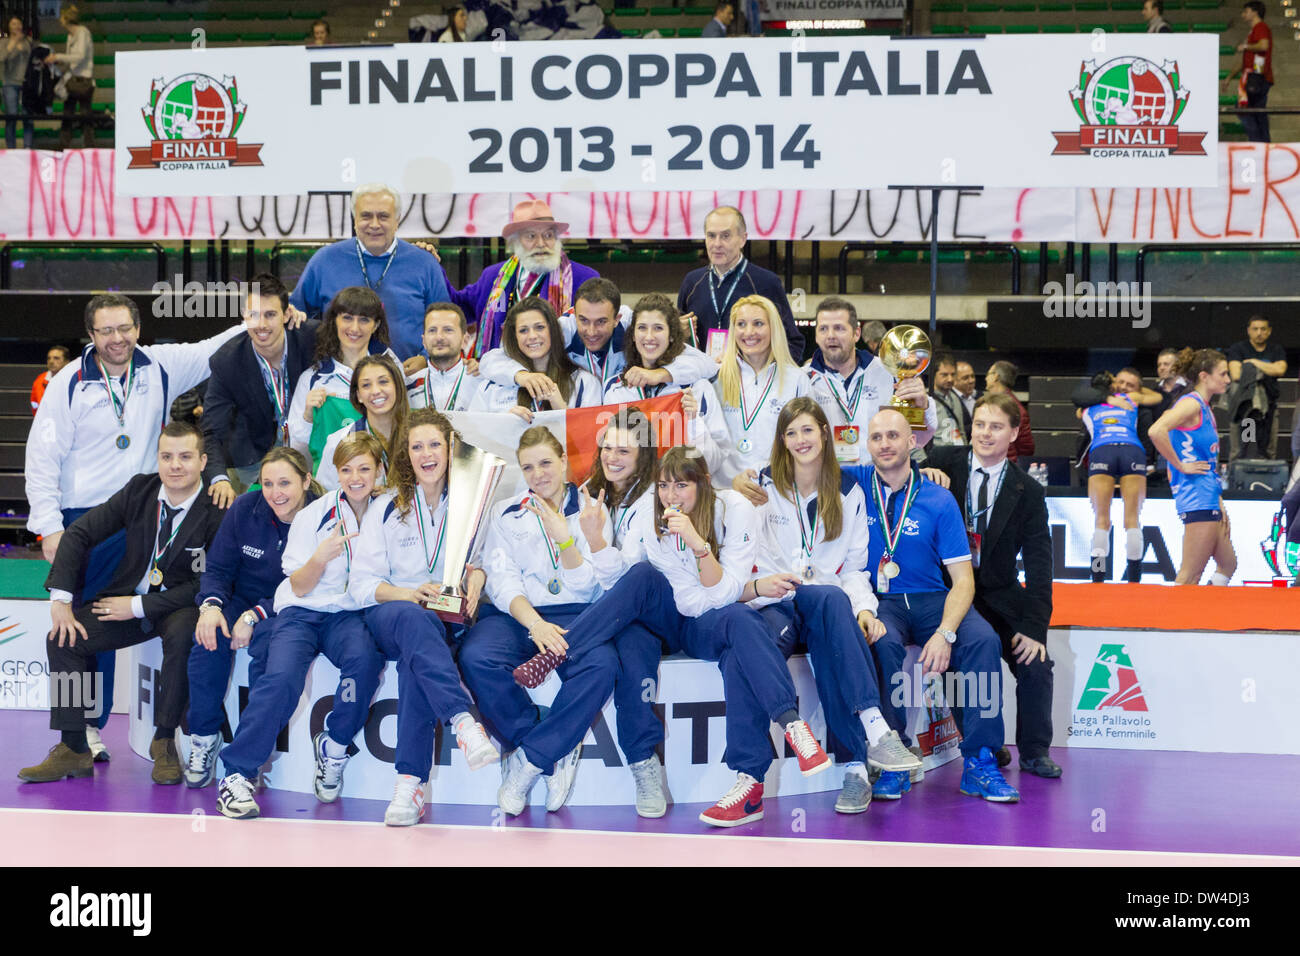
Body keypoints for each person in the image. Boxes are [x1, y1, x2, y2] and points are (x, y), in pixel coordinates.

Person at [511, 444, 832, 826]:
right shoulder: (650, 515)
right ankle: (558, 654)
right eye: (664, 486)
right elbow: (622, 581)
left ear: (704, 484)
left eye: (681, 485)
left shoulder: (734, 509)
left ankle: (792, 725)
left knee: (743, 625)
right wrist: (596, 539)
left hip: (708, 620)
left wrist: (698, 545)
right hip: (672, 617)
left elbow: (725, 592)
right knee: (643, 577)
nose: (670, 496)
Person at [19, 423, 224, 785]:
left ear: (203, 461)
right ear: (158, 459)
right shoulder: (140, 490)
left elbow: (204, 582)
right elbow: (80, 532)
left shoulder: (217, 506)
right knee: (63, 639)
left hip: (179, 604)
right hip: (128, 601)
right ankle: (73, 747)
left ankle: (164, 741)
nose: (175, 465)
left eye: (186, 457)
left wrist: (139, 606)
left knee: (181, 636)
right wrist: (61, 599)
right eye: (167, 456)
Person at [748, 397, 921, 813]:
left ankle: (856, 771)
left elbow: (855, 567)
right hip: (775, 599)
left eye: (808, 430)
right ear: (781, 440)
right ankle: (874, 732)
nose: (800, 440)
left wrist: (865, 608)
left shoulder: (848, 490)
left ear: (825, 433)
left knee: (834, 621)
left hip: (826, 602)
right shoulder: (761, 485)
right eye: (791, 433)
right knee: (830, 611)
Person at [845, 408, 1019, 803]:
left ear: (912, 442)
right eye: (876, 438)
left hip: (932, 599)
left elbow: (963, 581)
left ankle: (979, 761)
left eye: (893, 436)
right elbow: (802, 464)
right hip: (880, 600)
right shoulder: (852, 484)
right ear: (867, 445)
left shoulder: (939, 499)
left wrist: (945, 633)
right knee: (881, 642)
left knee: (981, 640)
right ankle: (896, 757)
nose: (885, 444)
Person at [215, 433, 387, 820]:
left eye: (364, 469)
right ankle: (237, 775)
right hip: (302, 610)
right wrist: (321, 557)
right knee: (281, 679)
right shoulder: (314, 515)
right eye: (347, 469)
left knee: (363, 664)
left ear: (379, 471)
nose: (355, 478)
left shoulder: (389, 510)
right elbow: (298, 585)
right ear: (335, 473)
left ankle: (335, 746)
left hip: (347, 614)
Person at [349, 408, 500, 826]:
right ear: (406, 454)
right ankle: (461, 719)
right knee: (416, 622)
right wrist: (407, 593)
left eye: (435, 444)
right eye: (417, 446)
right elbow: (361, 584)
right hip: (392, 616)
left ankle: (408, 786)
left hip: (447, 620)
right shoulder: (386, 507)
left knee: (421, 656)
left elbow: (485, 561)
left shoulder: (473, 504)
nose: (426, 454)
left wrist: (477, 578)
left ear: (450, 450)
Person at [458, 426, 617, 816]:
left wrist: (565, 540)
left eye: (546, 463)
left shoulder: (592, 508)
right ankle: (544, 745)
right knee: (477, 656)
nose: (538, 474)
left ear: (564, 462)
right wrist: (535, 625)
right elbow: (503, 579)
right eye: (528, 467)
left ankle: (530, 759)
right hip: (520, 614)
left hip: (578, 613)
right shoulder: (505, 512)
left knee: (604, 665)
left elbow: (594, 584)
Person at [924, 394, 1059, 779]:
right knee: (959, 659)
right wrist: (925, 474)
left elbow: (1039, 564)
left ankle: (1034, 751)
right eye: (980, 424)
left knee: (1036, 664)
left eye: (996, 427)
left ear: (1014, 433)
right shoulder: (941, 464)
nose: (985, 433)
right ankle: (983, 745)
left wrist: (1035, 630)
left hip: (1000, 594)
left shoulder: (1028, 492)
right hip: (948, 590)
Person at [184, 447, 320, 788]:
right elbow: (217, 568)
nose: (276, 493)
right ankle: (203, 736)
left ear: (306, 480)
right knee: (207, 639)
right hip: (240, 600)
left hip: (291, 606)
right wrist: (211, 606)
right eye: (268, 483)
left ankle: (248, 756)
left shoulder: (324, 514)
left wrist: (255, 615)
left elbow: (307, 584)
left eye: (285, 483)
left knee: (266, 652)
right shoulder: (246, 508)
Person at [289, 184, 452, 366]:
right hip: (339, 381)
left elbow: (446, 321)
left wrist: (425, 359)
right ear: (354, 219)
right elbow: (297, 315)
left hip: (410, 380)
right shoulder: (324, 260)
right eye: (366, 216)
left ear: (397, 220)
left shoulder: (425, 263)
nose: (374, 224)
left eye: (383, 216)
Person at [481, 278, 716, 403]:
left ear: (618, 318)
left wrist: (661, 374)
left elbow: (707, 365)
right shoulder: (561, 329)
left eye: (601, 322)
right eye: (584, 320)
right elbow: (492, 359)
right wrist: (523, 375)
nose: (591, 331)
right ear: (574, 314)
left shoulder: (635, 328)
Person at [201, 274, 316, 505]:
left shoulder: (310, 338)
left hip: (308, 449)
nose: (261, 324)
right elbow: (211, 431)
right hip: (254, 457)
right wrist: (219, 479)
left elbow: (356, 341)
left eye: (271, 314)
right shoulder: (227, 362)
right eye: (253, 315)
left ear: (286, 314)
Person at [696, 295, 811, 506]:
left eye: (758, 323)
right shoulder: (714, 378)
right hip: (723, 497)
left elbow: (806, 444)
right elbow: (705, 440)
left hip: (777, 496)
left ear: (773, 328)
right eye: (741, 324)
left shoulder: (796, 380)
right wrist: (733, 482)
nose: (749, 332)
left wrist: (763, 475)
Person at [453, 200, 600, 359]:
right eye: (531, 236)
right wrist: (432, 263)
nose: (541, 244)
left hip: (560, 375)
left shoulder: (584, 278)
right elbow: (456, 307)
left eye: (548, 235)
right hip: (500, 375)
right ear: (516, 241)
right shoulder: (492, 276)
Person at [805, 296, 936, 464]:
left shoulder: (889, 373)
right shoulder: (804, 379)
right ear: (816, 335)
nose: (830, 336)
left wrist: (921, 407)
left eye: (839, 328)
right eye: (823, 329)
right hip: (826, 481)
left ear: (856, 333)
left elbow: (918, 440)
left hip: (879, 480)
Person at [286, 286, 404, 469]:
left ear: (376, 325)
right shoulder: (312, 379)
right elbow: (297, 448)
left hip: (385, 482)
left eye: (364, 320)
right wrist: (308, 416)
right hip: (332, 484)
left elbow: (404, 423)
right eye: (347, 318)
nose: (355, 328)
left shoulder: (392, 369)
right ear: (335, 321)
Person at [1148, 349, 1238, 586]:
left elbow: (1207, 461)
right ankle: (1173, 622)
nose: (1228, 379)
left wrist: (1218, 499)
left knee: (1228, 564)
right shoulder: (1191, 404)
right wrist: (1180, 465)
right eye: (1223, 373)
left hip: (1207, 493)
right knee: (1189, 575)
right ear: (1204, 376)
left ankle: (1204, 614)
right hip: (1197, 495)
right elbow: (1156, 431)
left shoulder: (1204, 406)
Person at [602, 294, 730, 452]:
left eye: (658, 328)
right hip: (632, 477)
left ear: (671, 336)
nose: (649, 337)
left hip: (681, 476)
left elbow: (714, 460)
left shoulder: (697, 388)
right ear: (633, 335)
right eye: (642, 327)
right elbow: (608, 449)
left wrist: (693, 422)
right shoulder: (614, 389)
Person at [677, 206, 805, 360]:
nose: (717, 244)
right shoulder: (692, 282)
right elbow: (677, 344)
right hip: (701, 381)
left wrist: (747, 365)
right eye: (711, 235)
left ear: (743, 239)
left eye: (725, 236)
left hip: (749, 381)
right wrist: (677, 333)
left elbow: (792, 344)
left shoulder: (766, 283)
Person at [1077, 371, 1153, 583]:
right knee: (1132, 520)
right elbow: (1157, 397)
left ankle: (1098, 578)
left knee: (1101, 520)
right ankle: (1135, 579)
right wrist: (1130, 391)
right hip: (1131, 449)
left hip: (1103, 449)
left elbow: (1077, 399)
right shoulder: (1130, 400)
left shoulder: (1086, 407)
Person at [468, 297, 603, 416]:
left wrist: (560, 408)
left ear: (553, 330)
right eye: (523, 330)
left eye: (539, 327)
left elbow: (589, 440)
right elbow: (472, 437)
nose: (532, 336)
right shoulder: (492, 385)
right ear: (515, 337)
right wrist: (505, 425)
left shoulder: (585, 382)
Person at [316, 354, 409, 490]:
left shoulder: (418, 438)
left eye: (383, 382)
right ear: (358, 395)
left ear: (397, 386)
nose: (376, 391)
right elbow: (325, 499)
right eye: (366, 385)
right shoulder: (339, 442)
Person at [1227, 314, 1286, 459]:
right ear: (1249, 330)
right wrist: (1268, 368)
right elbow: (1236, 374)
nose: (1259, 333)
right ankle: (1239, 480)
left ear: (1269, 331)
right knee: (1241, 450)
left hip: (1269, 408)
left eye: (1263, 329)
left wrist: (1253, 363)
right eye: (1255, 329)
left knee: (1268, 451)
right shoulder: (1238, 349)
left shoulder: (1276, 350)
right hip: (1246, 408)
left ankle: (1267, 480)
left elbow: (1280, 370)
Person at [407, 302, 485, 411]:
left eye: (448, 330)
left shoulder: (481, 382)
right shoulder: (408, 384)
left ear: (464, 339)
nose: (439, 337)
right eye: (432, 330)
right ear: (423, 340)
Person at [45, 4, 94, 150]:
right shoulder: (69, 36)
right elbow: (71, 59)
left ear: (66, 19)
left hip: (84, 79)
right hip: (72, 79)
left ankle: (89, 146)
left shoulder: (83, 32)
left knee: (86, 114)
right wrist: (58, 62)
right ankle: (63, 145)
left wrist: (58, 56)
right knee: (68, 113)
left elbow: (79, 56)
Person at [1224, 1, 1274, 143]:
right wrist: (1229, 76)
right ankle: (1263, 143)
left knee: (1244, 109)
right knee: (1258, 112)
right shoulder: (1255, 31)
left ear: (1255, 12)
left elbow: (1264, 45)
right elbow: (1245, 61)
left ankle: (1258, 141)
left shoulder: (1260, 28)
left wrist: (1245, 46)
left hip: (1258, 78)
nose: (1243, 15)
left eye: (1246, 11)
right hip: (1255, 77)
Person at [984, 360, 1034, 463]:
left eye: (988, 374)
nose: (985, 378)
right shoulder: (1014, 406)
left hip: (1004, 467)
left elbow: (1026, 448)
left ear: (996, 376)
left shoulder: (1012, 408)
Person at [3, 15, 33, 149]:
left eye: (18, 24)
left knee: (28, 117)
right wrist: (13, 43)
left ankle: (28, 146)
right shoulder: (4, 42)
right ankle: (11, 148)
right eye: (14, 24)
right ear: (9, 26)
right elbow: (2, 57)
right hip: (9, 82)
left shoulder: (28, 42)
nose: (17, 26)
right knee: (11, 116)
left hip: (26, 83)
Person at [930, 349, 970, 447]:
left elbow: (961, 431)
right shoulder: (925, 399)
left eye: (953, 374)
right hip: (937, 455)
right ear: (933, 375)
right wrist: (923, 461)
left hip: (958, 453)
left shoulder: (955, 397)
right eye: (944, 375)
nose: (950, 379)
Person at [29, 344, 71, 414]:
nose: (51, 361)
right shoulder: (40, 380)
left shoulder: (74, 379)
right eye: (49, 358)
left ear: (66, 362)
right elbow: (34, 404)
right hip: (45, 422)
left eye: (56, 358)